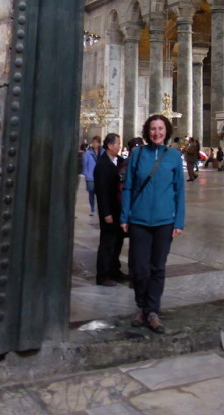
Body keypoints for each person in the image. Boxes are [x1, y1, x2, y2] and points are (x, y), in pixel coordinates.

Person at [120, 113, 185, 333]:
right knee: (139, 267)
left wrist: (180, 221)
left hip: (164, 220)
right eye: (153, 129)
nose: (157, 133)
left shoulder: (174, 156)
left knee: (157, 267)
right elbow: (128, 186)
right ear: (147, 132)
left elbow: (179, 192)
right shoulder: (138, 154)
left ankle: (152, 310)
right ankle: (141, 306)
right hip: (139, 219)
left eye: (161, 129)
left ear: (166, 131)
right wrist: (124, 216)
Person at [94, 132, 129, 287]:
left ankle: (115, 271)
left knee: (118, 242)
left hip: (118, 210)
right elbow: (101, 192)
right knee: (107, 244)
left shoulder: (118, 161)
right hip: (109, 211)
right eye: (117, 144)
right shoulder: (102, 165)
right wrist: (106, 213)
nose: (119, 147)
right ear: (109, 145)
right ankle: (103, 275)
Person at [81, 135, 101, 215]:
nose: (94, 144)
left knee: (99, 194)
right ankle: (92, 207)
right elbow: (85, 164)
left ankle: (99, 208)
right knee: (91, 193)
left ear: (99, 143)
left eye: (96, 142)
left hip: (100, 176)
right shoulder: (88, 153)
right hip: (90, 176)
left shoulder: (102, 152)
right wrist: (86, 173)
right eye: (93, 142)